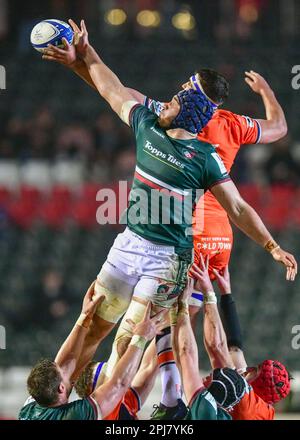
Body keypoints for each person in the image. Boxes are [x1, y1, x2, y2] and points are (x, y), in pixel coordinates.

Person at [42, 19, 297, 386]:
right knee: (157, 334)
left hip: (176, 249)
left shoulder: (158, 120)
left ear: (191, 103)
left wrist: (80, 60)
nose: (174, 92)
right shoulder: (227, 127)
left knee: (131, 335)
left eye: (181, 91)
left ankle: (132, 401)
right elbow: (278, 129)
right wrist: (267, 92)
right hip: (203, 239)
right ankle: (162, 398)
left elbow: (114, 89)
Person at [19, 282, 166, 420]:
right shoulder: (78, 414)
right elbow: (120, 382)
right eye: (106, 373)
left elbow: (144, 371)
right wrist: (141, 337)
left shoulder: (32, 407)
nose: (68, 369)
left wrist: (83, 319)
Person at [171, 276, 247, 420]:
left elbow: (186, 353)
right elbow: (225, 347)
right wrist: (223, 294)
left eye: (213, 375)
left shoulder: (206, 410)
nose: (208, 375)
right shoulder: (227, 402)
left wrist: (183, 305)